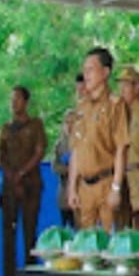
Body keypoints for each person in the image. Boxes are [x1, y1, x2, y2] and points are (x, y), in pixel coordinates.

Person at [68, 47, 129, 276]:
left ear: (105, 72)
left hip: (106, 182)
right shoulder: (81, 108)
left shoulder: (116, 105)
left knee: (110, 246)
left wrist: (116, 187)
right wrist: (72, 187)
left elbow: (121, 148)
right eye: (85, 70)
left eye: (91, 69)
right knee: (90, 248)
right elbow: (76, 152)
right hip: (85, 186)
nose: (87, 75)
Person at [0, 85, 46, 276]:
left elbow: (40, 151)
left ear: (26, 102)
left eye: (17, 99)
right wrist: (11, 175)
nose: (14, 103)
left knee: (30, 231)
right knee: (8, 233)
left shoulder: (36, 125)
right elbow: (0, 155)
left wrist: (23, 172)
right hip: (9, 187)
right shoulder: (5, 129)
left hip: (31, 185)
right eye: (12, 99)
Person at [52, 74, 85, 229]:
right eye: (67, 122)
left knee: (80, 226)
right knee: (65, 227)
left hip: (81, 190)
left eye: (72, 122)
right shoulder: (59, 144)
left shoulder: (81, 141)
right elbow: (54, 166)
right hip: (64, 191)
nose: (69, 126)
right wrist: (67, 169)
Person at [118, 65, 139, 230]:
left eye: (126, 85)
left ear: (137, 87)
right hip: (124, 175)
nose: (122, 90)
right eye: (120, 85)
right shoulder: (121, 112)